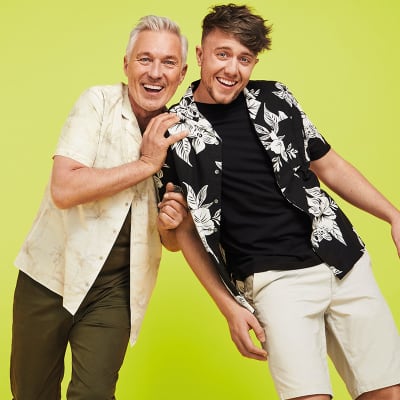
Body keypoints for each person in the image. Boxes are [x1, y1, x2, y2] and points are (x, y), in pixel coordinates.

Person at [157, 4, 400, 400]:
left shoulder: (276, 98)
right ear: (200, 55)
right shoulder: (170, 131)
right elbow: (176, 235)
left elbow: (329, 164)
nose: (232, 69)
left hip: (341, 259)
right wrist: (229, 307)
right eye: (222, 54)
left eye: (244, 58)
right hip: (274, 283)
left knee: (388, 393)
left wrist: (393, 215)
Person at [11, 15, 188, 399]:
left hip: (115, 291)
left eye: (168, 62)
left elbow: (173, 243)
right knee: (31, 392)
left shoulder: (181, 134)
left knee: (94, 394)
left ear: (182, 73)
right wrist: (146, 164)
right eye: (145, 59)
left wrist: (170, 225)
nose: (155, 72)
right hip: (49, 277)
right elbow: (64, 188)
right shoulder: (97, 103)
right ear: (126, 65)